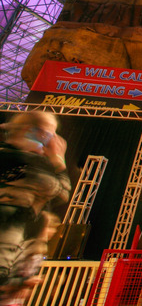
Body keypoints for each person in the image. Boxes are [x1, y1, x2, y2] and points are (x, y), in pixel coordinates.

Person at [0, 111, 70, 301]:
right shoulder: (26, 163)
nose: (52, 141)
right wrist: (58, 159)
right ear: (31, 131)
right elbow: (60, 193)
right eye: (49, 134)